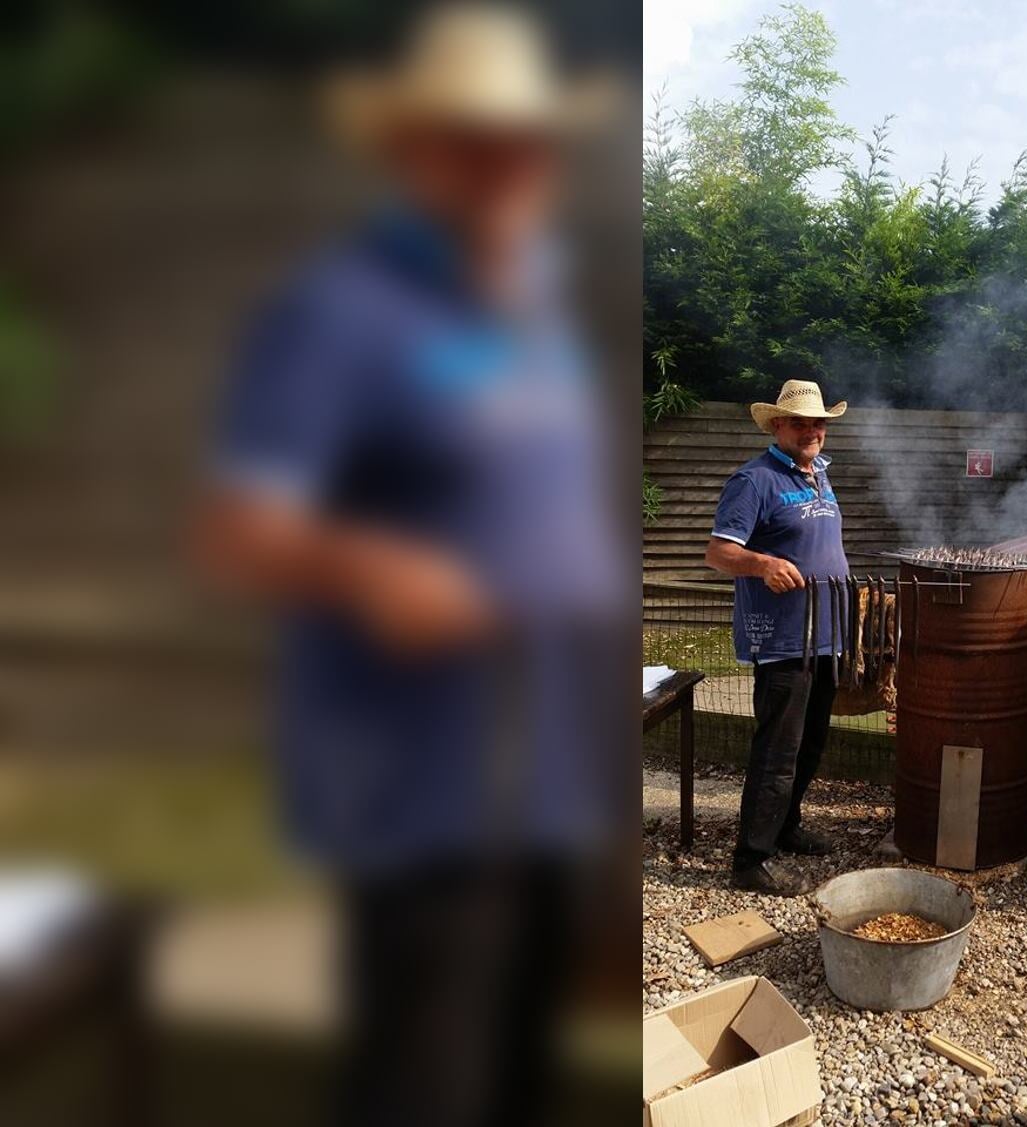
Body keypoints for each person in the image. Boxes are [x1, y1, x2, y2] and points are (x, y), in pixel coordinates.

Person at [190, 6, 628, 1125]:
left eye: (526, 142)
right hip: (422, 790)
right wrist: (376, 566)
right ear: (410, 152)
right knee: (426, 1084)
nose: (512, 166)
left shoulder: (532, 310)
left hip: (543, 781)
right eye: (477, 142)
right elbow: (237, 529)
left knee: (521, 1076)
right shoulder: (339, 311)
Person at [705, 380, 850, 896]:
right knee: (777, 751)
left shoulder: (820, 476)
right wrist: (763, 563)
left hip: (826, 636)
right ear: (777, 426)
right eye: (801, 422)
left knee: (810, 745)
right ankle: (750, 858)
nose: (812, 431)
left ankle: (786, 828)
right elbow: (719, 552)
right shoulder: (754, 480)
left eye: (819, 423)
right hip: (784, 638)